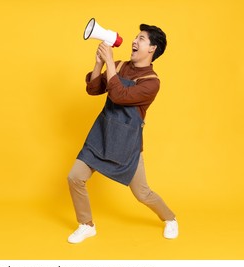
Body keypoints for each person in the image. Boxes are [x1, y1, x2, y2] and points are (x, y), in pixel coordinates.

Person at [67, 23, 178, 244]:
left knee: (142, 193)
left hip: (126, 143)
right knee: (75, 177)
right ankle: (86, 225)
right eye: (135, 37)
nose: (134, 41)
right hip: (102, 134)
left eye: (141, 38)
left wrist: (109, 62)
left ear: (152, 49)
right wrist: (99, 63)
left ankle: (170, 218)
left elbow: (119, 96)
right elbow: (93, 89)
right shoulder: (120, 66)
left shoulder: (152, 82)